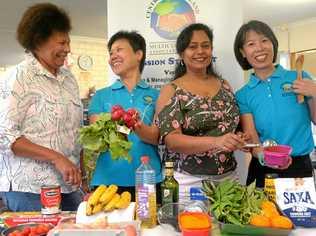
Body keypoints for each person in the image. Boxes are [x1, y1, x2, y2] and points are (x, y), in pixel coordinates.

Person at [0, 3, 83, 211]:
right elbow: (5, 135)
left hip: (68, 187)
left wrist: (80, 166)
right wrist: (57, 158)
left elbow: (74, 132)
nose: (68, 49)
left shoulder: (69, 78)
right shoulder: (19, 77)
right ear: (38, 41)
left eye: (69, 42)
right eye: (62, 42)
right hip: (29, 189)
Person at [157, 23, 246, 201]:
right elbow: (172, 140)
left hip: (228, 180)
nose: (200, 51)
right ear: (182, 54)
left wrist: (239, 138)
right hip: (186, 183)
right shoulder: (172, 89)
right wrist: (217, 141)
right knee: (188, 229)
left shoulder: (224, 85)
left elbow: (232, 127)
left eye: (205, 46)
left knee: (228, 229)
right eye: (192, 46)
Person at [234, 20, 315, 187]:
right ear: (243, 52)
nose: (259, 48)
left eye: (264, 40)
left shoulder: (299, 77)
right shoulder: (243, 94)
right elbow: (253, 139)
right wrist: (264, 157)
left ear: (273, 44)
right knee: (260, 214)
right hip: (263, 167)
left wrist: (314, 94)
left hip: (299, 167)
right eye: (251, 44)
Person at [88, 31, 162, 201]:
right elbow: (99, 138)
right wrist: (124, 122)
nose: (113, 56)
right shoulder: (101, 96)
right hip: (108, 182)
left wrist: (136, 125)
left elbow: (156, 137)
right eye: (111, 53)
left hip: (148, 178)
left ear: (138, 54)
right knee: (112, 227)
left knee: (148, 226)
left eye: (119, 50)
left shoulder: (157, 95)